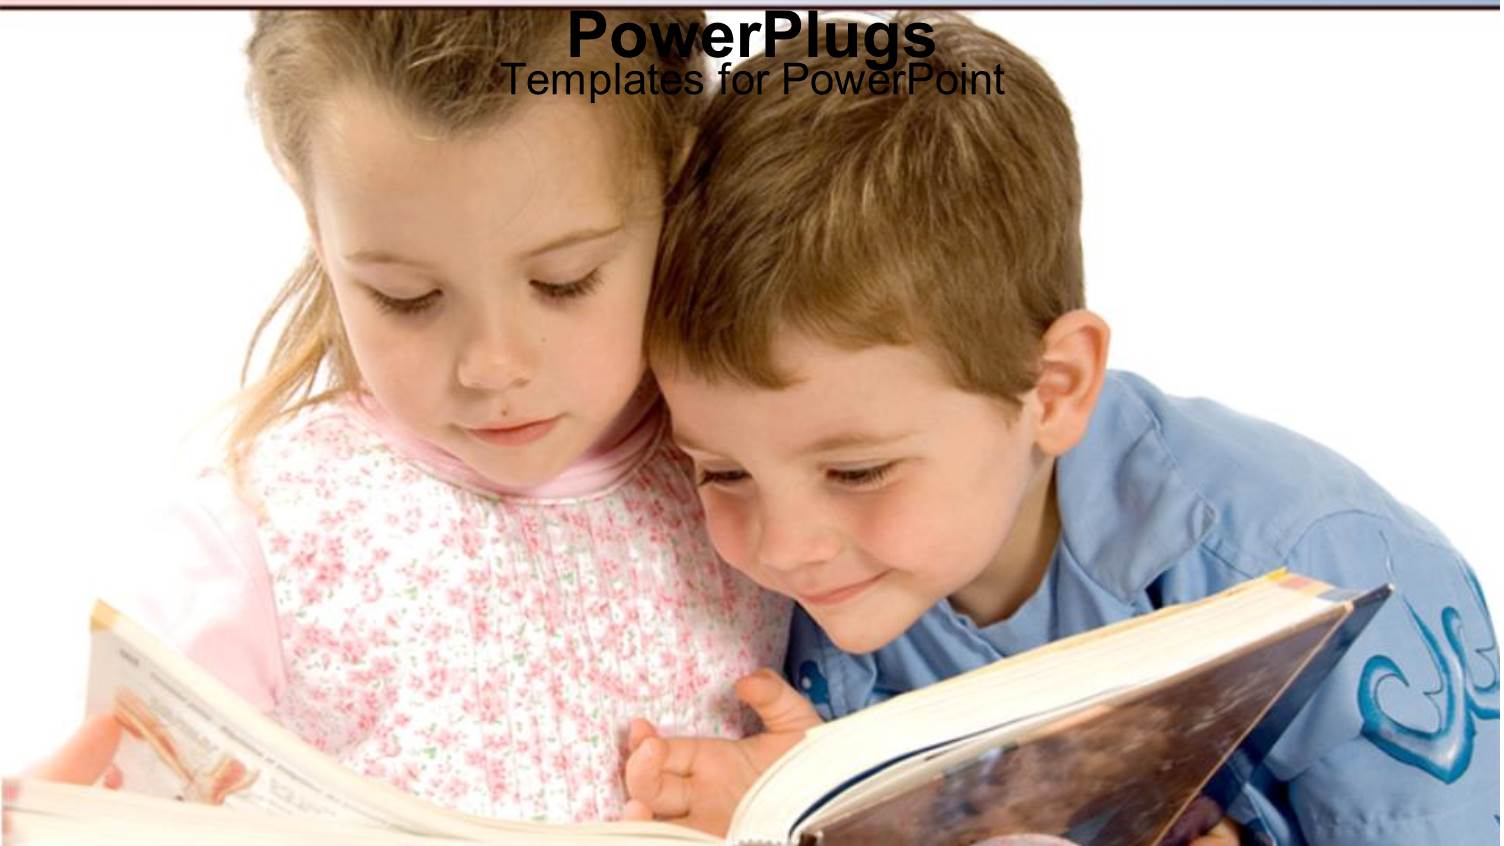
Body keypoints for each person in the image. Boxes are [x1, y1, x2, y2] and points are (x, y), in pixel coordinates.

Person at [623, 12, 1499, 844]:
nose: (783, 549)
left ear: (1053, 388)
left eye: (856, 473)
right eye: (722, 472)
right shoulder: (818, 601)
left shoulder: (1324, 567)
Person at [28, 9, 789, 823]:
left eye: (564, 280)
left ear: (673, 181)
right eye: (408, 298)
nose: (494, 366)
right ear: (318, 225)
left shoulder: (756, 469)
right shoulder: (259, 540)